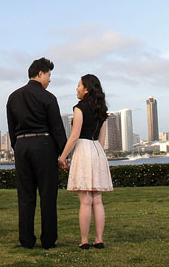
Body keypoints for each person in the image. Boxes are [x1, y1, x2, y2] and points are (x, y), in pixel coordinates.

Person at [6, 57, 68, 249]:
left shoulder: (13, 97)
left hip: (22, 146)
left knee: (25, 196)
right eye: (49, 75)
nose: (50, 80)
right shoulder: (48, 98)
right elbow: (57, 129)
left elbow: (11, 127)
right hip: (44, 145)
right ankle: (49, 240)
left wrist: (18, 146)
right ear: (40, 74)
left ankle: (26, 240)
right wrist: (63, 154)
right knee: (48, 196)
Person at [58, 74, 113, 250]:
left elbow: (74, 136)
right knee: (97, 199)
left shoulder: (79, 108)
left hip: (83, 150)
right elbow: (102, 140)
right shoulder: (102, 110)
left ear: (86, 89)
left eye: (79, 85)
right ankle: (99, 239)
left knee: (85, 200)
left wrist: (63, 156)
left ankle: (84, 240)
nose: (77, 88)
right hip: (97, 150)